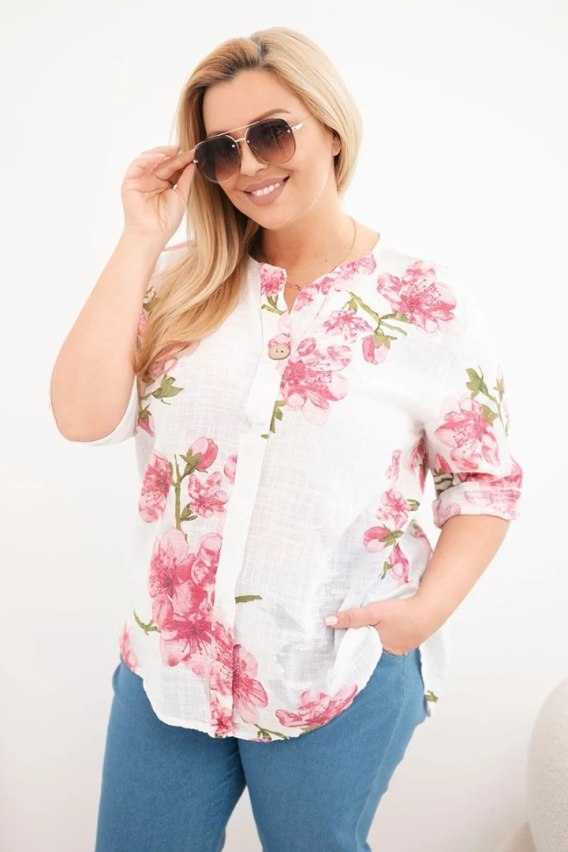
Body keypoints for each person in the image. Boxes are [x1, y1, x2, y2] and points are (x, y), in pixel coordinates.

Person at [48, 25, 524, 852]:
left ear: (331, 129)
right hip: (172, 672)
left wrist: (422, 615)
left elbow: (482, 483)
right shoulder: (177, 282)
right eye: (221, 150)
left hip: (334, 672)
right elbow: (82, 417)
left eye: (271, 133)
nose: (249, 166)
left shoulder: (426, 302)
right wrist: (140, 237)